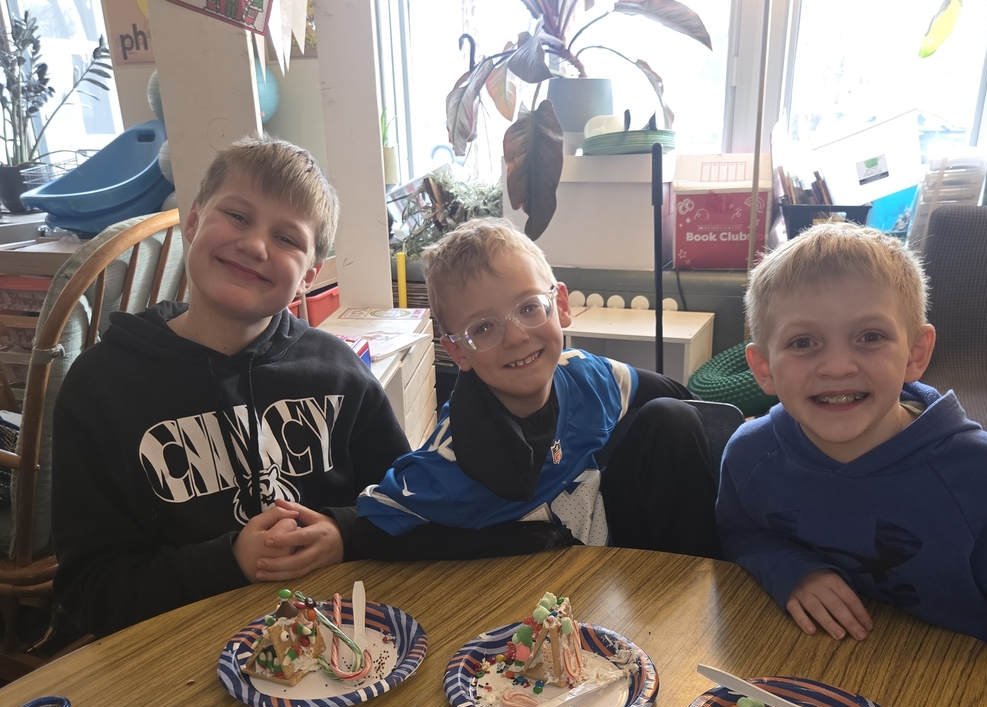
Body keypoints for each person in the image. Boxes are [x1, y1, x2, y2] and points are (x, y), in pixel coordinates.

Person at [52, 136, 410, 637]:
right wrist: (228, 562)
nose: (255, 245)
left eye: (287, 238)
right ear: (193, 220)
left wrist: (343, 533)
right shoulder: (99, 389)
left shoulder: (341, 373)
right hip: (176, 660)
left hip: (340, 648)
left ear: (309, 275)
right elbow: (89, 595)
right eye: (238, 216)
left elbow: (409, 506)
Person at [717, 221, 987, 658]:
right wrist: (792, 569)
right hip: (803, 669)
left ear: (916, 353)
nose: (838, 366)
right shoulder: (750, 454)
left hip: (953, 685)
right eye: (804, 342)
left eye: (870, 337)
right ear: (763, 367)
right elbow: (739, 533)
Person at [349, 218, 721, 561]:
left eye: (529, 308)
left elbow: (669, 392)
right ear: (458, 351)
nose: (516, 337)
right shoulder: (450, 458)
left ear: (559, 305)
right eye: (483, 328)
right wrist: (339, 532)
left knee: (675, 419)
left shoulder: (587, 376)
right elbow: (374, 521)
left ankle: (700, 593)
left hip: (614, 568)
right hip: (523, 599)